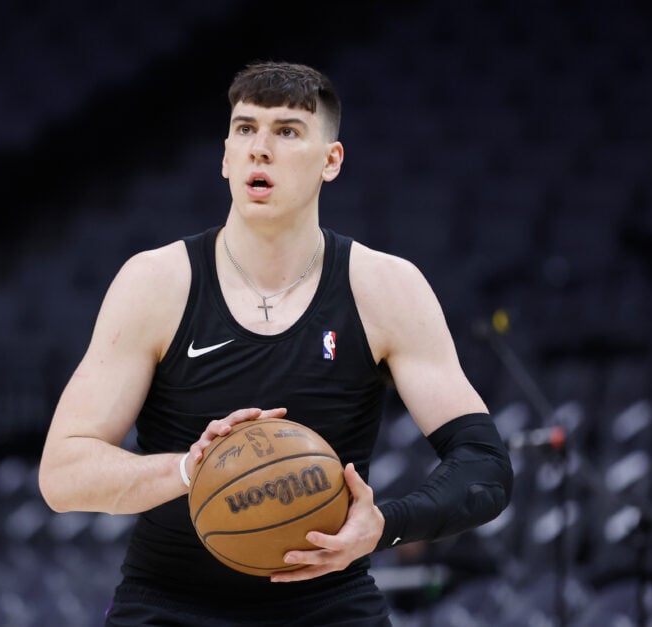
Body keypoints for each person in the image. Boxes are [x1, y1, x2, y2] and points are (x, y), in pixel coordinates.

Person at [39, 61, 513, 626]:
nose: (259, 148)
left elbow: (485, 465)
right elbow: (62, 475)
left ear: (330, 161)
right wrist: (192, 471)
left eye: (286, 131)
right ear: (224, 156)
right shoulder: (155, 283)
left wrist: (385, 523)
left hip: (328, 603)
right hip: (170, 602)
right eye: (245, 129)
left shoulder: (386, 288)